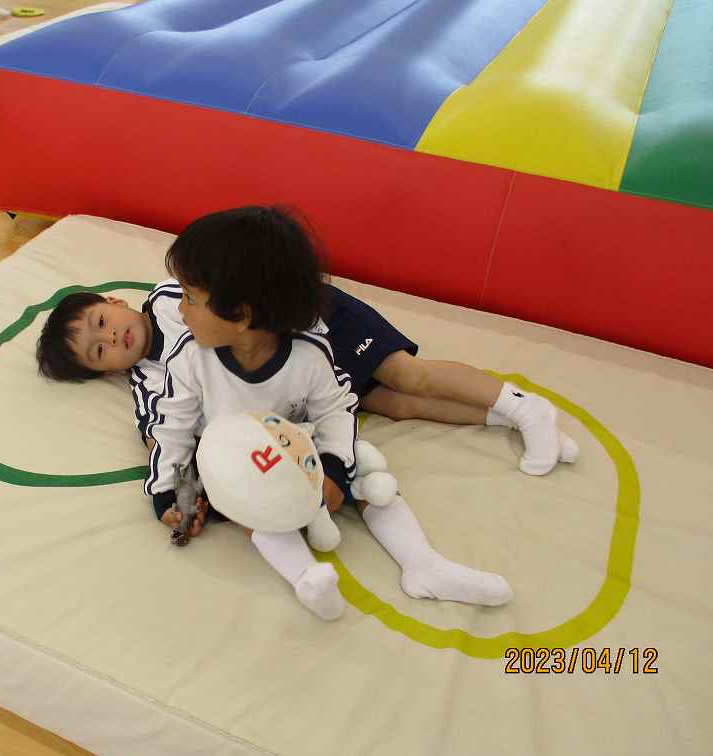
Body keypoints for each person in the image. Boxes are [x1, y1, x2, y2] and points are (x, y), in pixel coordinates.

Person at [37, 207, 519, 615]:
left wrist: (334, 467)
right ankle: (307, 578)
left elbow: (335, 409)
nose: (111, 338)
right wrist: (175, 495)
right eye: (99, 352)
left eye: (102, 322)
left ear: (114, 301)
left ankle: (424, 563)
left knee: (370, 472)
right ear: (106, 373)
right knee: (247, 495)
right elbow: (168, 433)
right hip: (261, 437)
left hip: (293, 395)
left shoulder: (285, 343)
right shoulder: (181, 364)